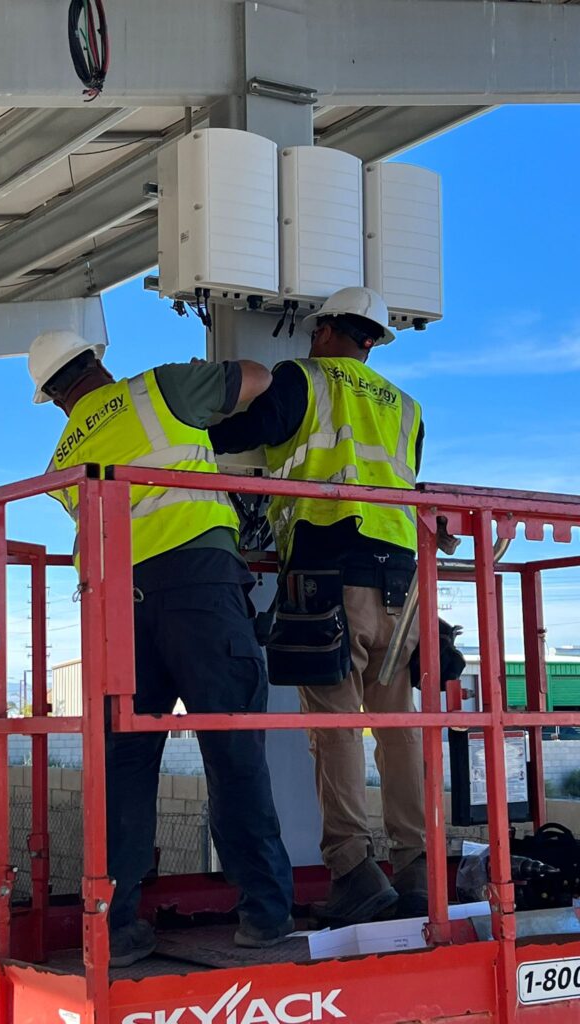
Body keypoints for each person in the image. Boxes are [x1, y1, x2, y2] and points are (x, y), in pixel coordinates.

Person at [28, 329, 294, 967]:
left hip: (117, 609)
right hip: (199, 587)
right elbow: (258, 377)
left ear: (54, 398)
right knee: (232, 748)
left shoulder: (60, 460)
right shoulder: (158, 389)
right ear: (98, 362)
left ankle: (116, 927)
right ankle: (263, 915)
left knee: (125, 764)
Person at [209, 287, 427, 925]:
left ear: (329, 330)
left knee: (335, 728)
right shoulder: (407, 407)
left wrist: (200, 411)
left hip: (330, 572)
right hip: (405, 580)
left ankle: (354, 869)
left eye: (314, 330)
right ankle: (417, 865)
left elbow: (239, 435)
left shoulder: (302, 379)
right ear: (372, 342)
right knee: (399, 728)